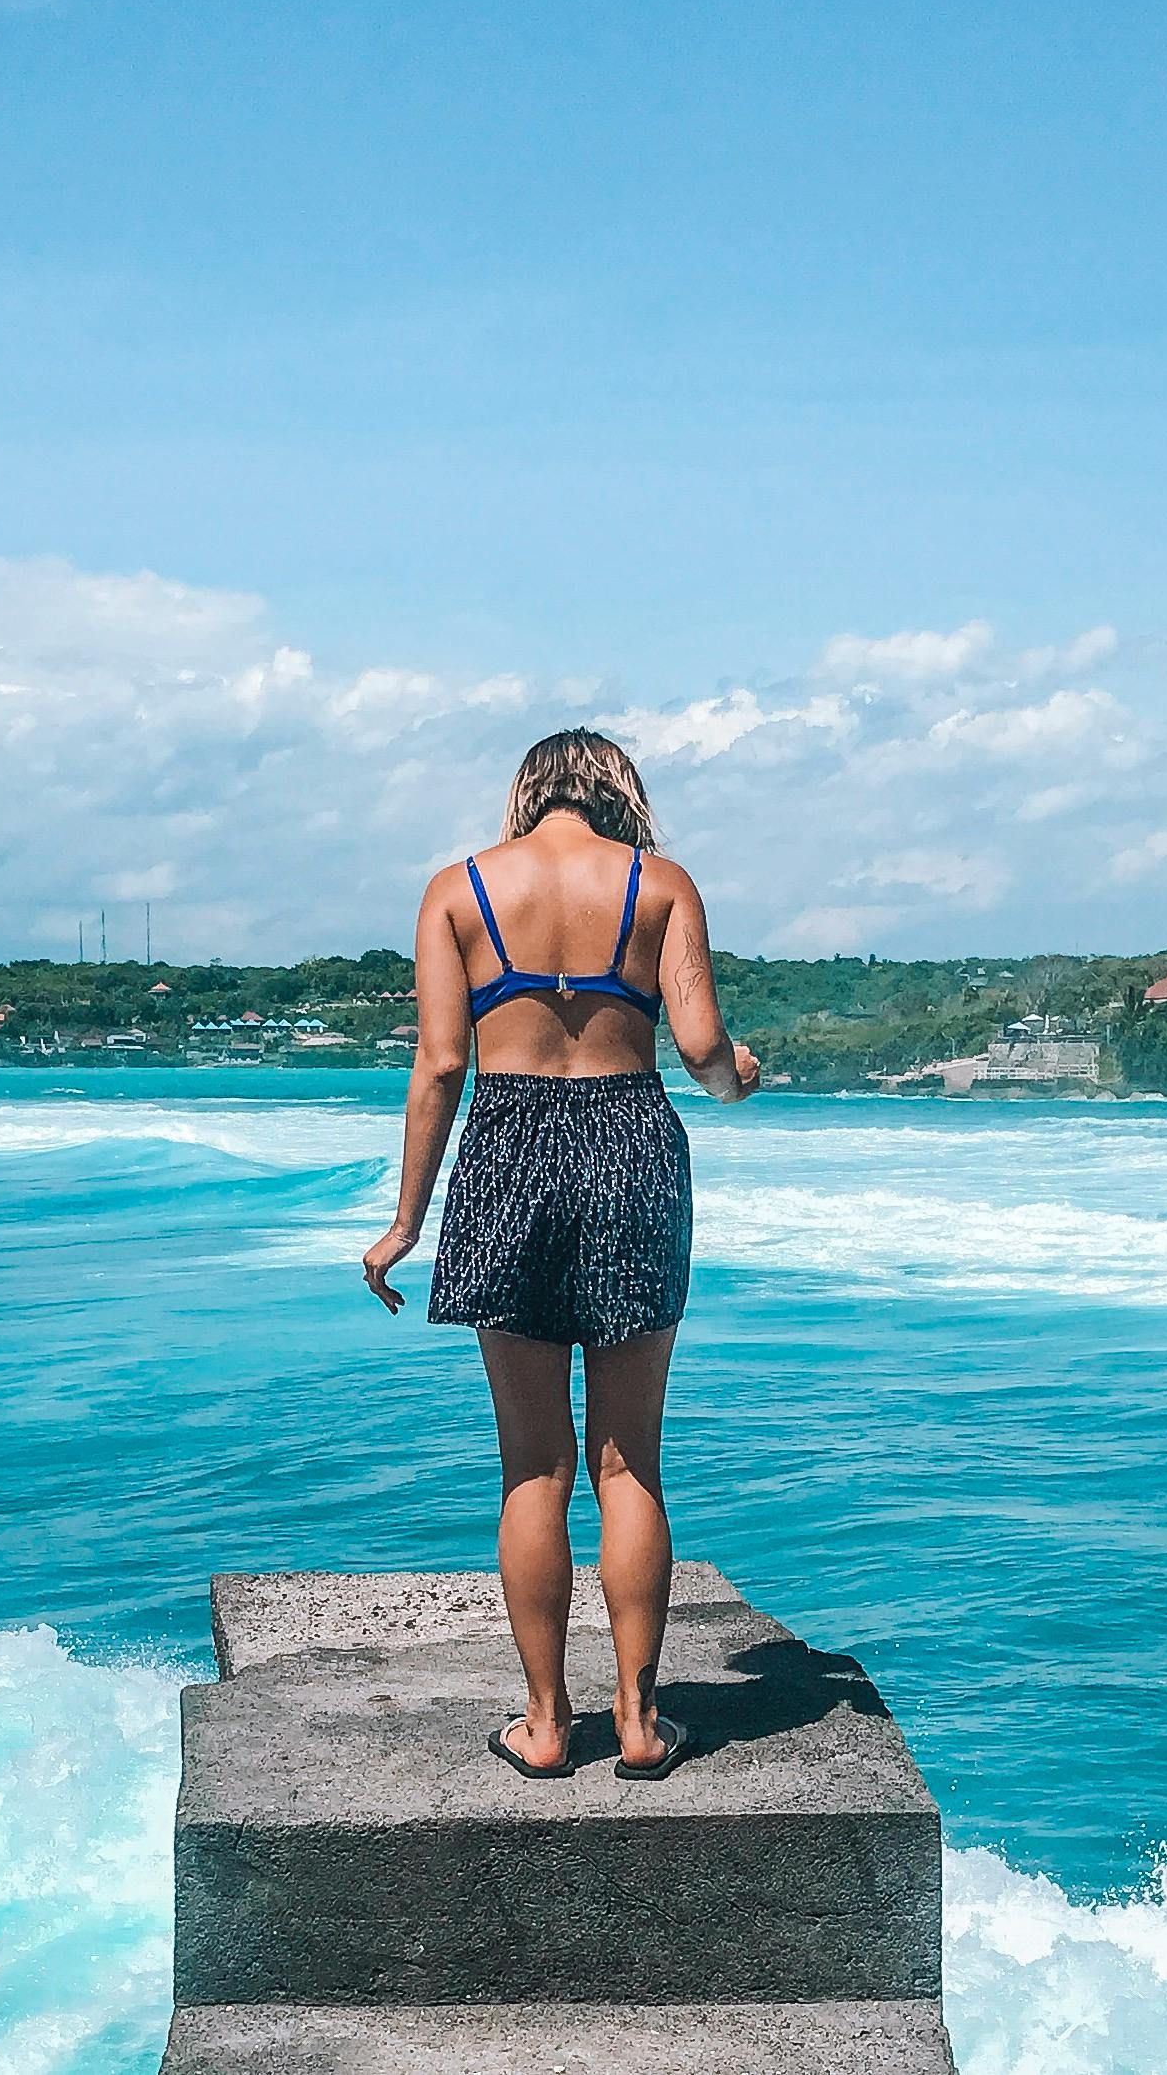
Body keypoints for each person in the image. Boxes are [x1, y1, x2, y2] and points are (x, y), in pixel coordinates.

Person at [362, 729, 759, 1780]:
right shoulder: (662, 885)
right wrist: (737, 1078)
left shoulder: (457, 892)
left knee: (531, 1464)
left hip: (506, 1145)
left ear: (526, 794)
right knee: (629, 1460)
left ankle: (545, 1725)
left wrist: (406, 1224)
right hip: (631, 1143)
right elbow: (705, 1051)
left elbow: (442, 1065)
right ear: (620, 793)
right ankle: (637, 1720)